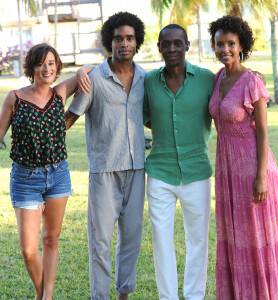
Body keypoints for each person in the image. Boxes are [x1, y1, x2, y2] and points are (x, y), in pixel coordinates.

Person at [208, 15, 278, 300]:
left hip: (253, 169)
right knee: (236, 236)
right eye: (219, 44)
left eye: (231, 44)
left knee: (257, 238)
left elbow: (263, 133)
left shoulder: (252, 81)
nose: (225, 50)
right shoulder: (218, 78)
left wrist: (260, 177)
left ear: (241, 45)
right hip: (227, 169)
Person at [0, 43, 92, 299]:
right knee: (28, 250)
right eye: (41, 63)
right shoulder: (14, 98)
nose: (47, 68)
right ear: (32, 68)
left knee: (51, 239)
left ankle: (46, 297)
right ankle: (44, 295)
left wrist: (83, 69)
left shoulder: (60, 93)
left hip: (58, 175)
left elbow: (92, 69)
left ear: (57, 66)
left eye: (51, 63)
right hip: (25, 178)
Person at [65, 12, 147, 300]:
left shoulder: (145, 79)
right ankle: (99, 297)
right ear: (109, 42)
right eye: (118, 39)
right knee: (100, 242)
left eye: (129, 38)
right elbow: (69, 118)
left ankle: (124, 294)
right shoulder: (94, 79)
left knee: (132, 239)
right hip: (104, 171)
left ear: (137, 42)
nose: (124, 44)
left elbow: (147, 118)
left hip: (137, 169)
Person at [143, 24, 214, 300]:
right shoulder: (149, 81)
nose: (171, 49)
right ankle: (168, 297)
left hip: (197, 171)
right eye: (165, 44)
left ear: (187, 46)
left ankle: (194, 295)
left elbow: (232, 84)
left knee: (197, 240)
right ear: (159, 47)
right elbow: (145, 115)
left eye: (177, 43)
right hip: (160, 172)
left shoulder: (207, 79)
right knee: (161, 240)